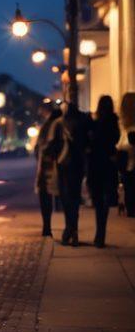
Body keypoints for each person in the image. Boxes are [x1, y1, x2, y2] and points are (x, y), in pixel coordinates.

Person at [87, 95, 120, 248]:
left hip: (96, 164)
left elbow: (91, 142)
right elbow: (114, 140)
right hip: (108, 164)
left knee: (98, 200)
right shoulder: (114, 122)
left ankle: (99, 234)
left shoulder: (96, 123)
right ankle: (101, 233)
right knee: (104, 201)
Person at [56, 103, 89, 247]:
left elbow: (55, 145)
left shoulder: (62, 124)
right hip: (78, 165)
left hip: (64, 164)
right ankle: (73, 231)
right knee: (75, 199)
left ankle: (69, 229)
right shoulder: (82, 124)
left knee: (66, 199)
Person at [34, 103, 63, 237]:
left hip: (46, 167)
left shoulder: (46, 126)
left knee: (45, 197)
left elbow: (38, 148)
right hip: (60, 165)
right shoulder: (61, 125)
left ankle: (47, 227)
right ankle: (70, 227)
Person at [118, 92, 135, 217]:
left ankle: (131, 209)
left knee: (130, 187)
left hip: (129, 164)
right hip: (129, 163)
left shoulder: (126, 127)